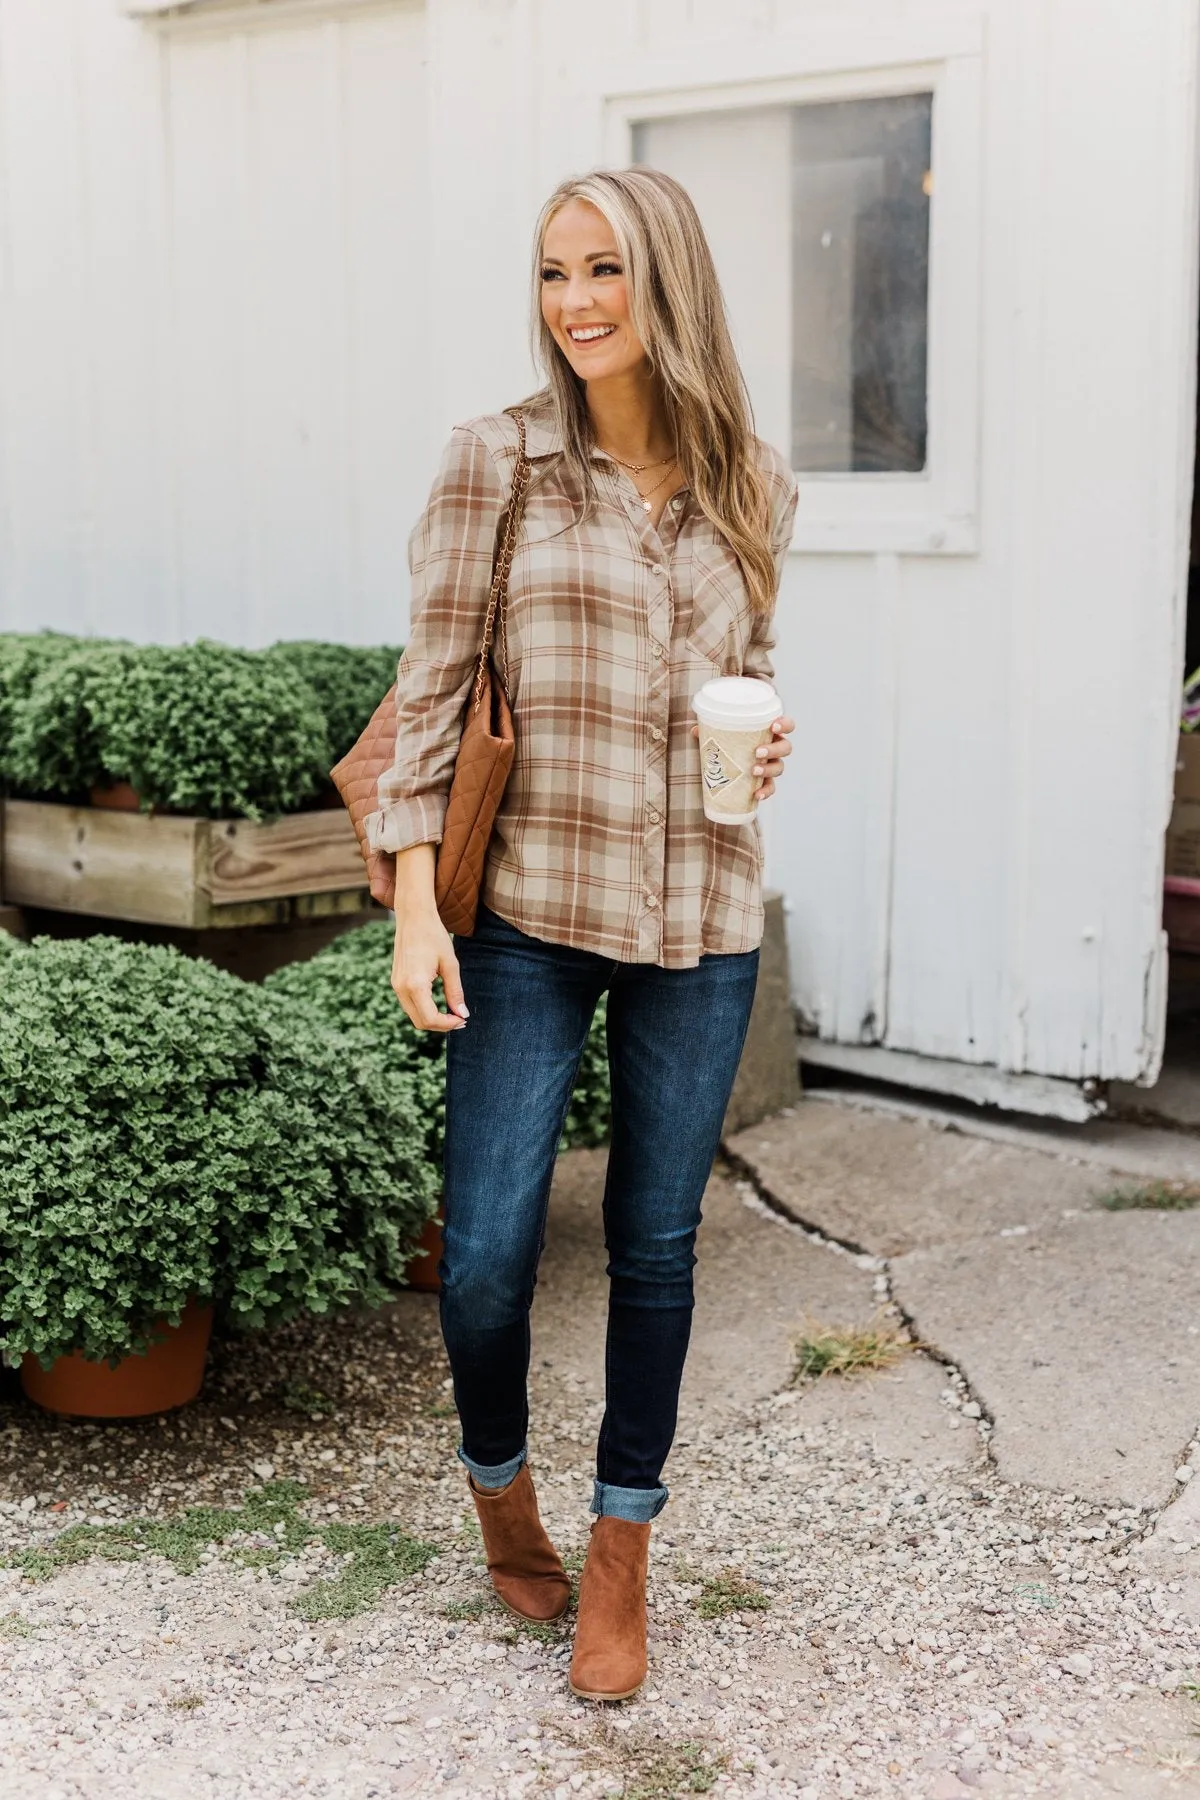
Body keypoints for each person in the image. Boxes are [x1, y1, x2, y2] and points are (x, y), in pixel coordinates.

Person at [365, 167, 798, 1703]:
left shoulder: (753, 475)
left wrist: (765, 738)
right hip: (534, 912)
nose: (576, 303)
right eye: (555, 273)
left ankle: (622, 1549)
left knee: (656, 1247)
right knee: (483, 1260)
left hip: (699, 908)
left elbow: (742, 673)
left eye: (605, 268)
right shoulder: (500, 461)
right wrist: (419, 898)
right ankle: (500, 1489)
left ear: (665, 280)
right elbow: (430, 691)